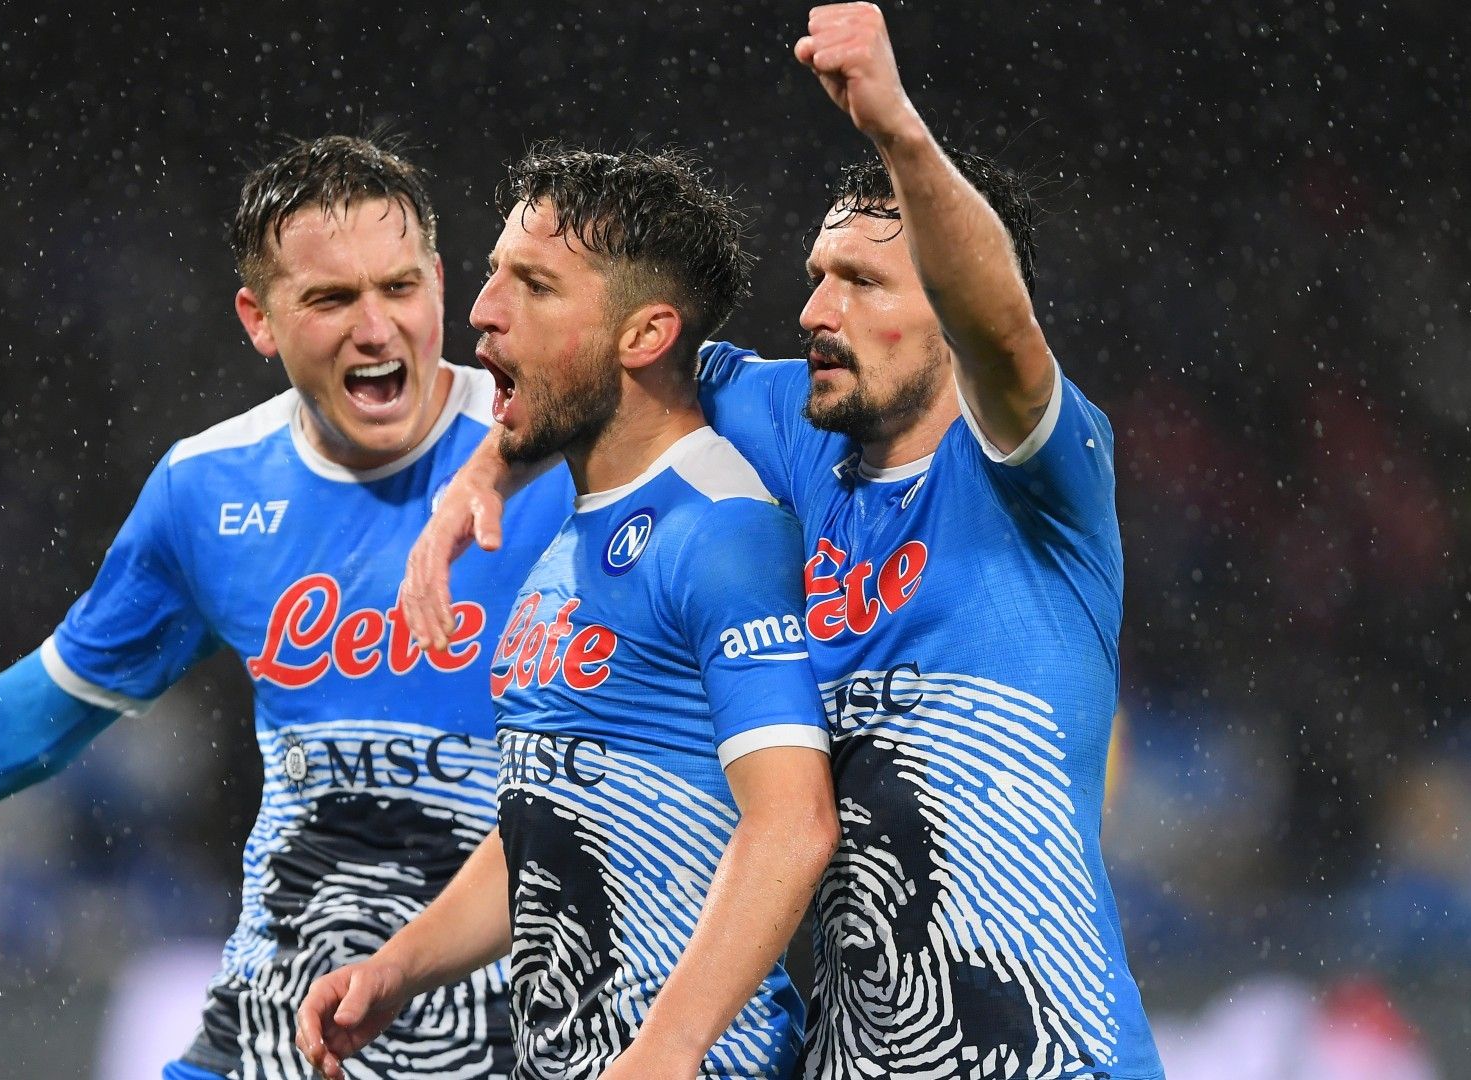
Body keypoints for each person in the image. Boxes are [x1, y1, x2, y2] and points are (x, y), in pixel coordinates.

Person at [0, 134, 577, 1080]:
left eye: (399, 287)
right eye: (330, 299)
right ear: (259, 319)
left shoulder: (574, 450)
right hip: (281, 1025)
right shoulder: (209, 492)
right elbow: (48, 710)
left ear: (442, 283)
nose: (377, 328)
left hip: (524, 1022)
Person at [400, 6, 1167, 1078]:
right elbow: (602, 369)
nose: (815, 309)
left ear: (949, 311)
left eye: (863, 281)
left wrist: (896, 125)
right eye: (818, 275)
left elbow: (1001, 327)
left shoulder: (1043, 477)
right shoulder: (803, 441)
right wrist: (484, 472)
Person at [294, 148, 839, 1080]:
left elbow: (794, 823)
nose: (482, 309)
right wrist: (400, 967)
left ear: (645, 335)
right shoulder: (568, 538)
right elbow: (550, 820)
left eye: (535, 286)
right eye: (495, 272)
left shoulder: (722, 534)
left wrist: (669, 1047)